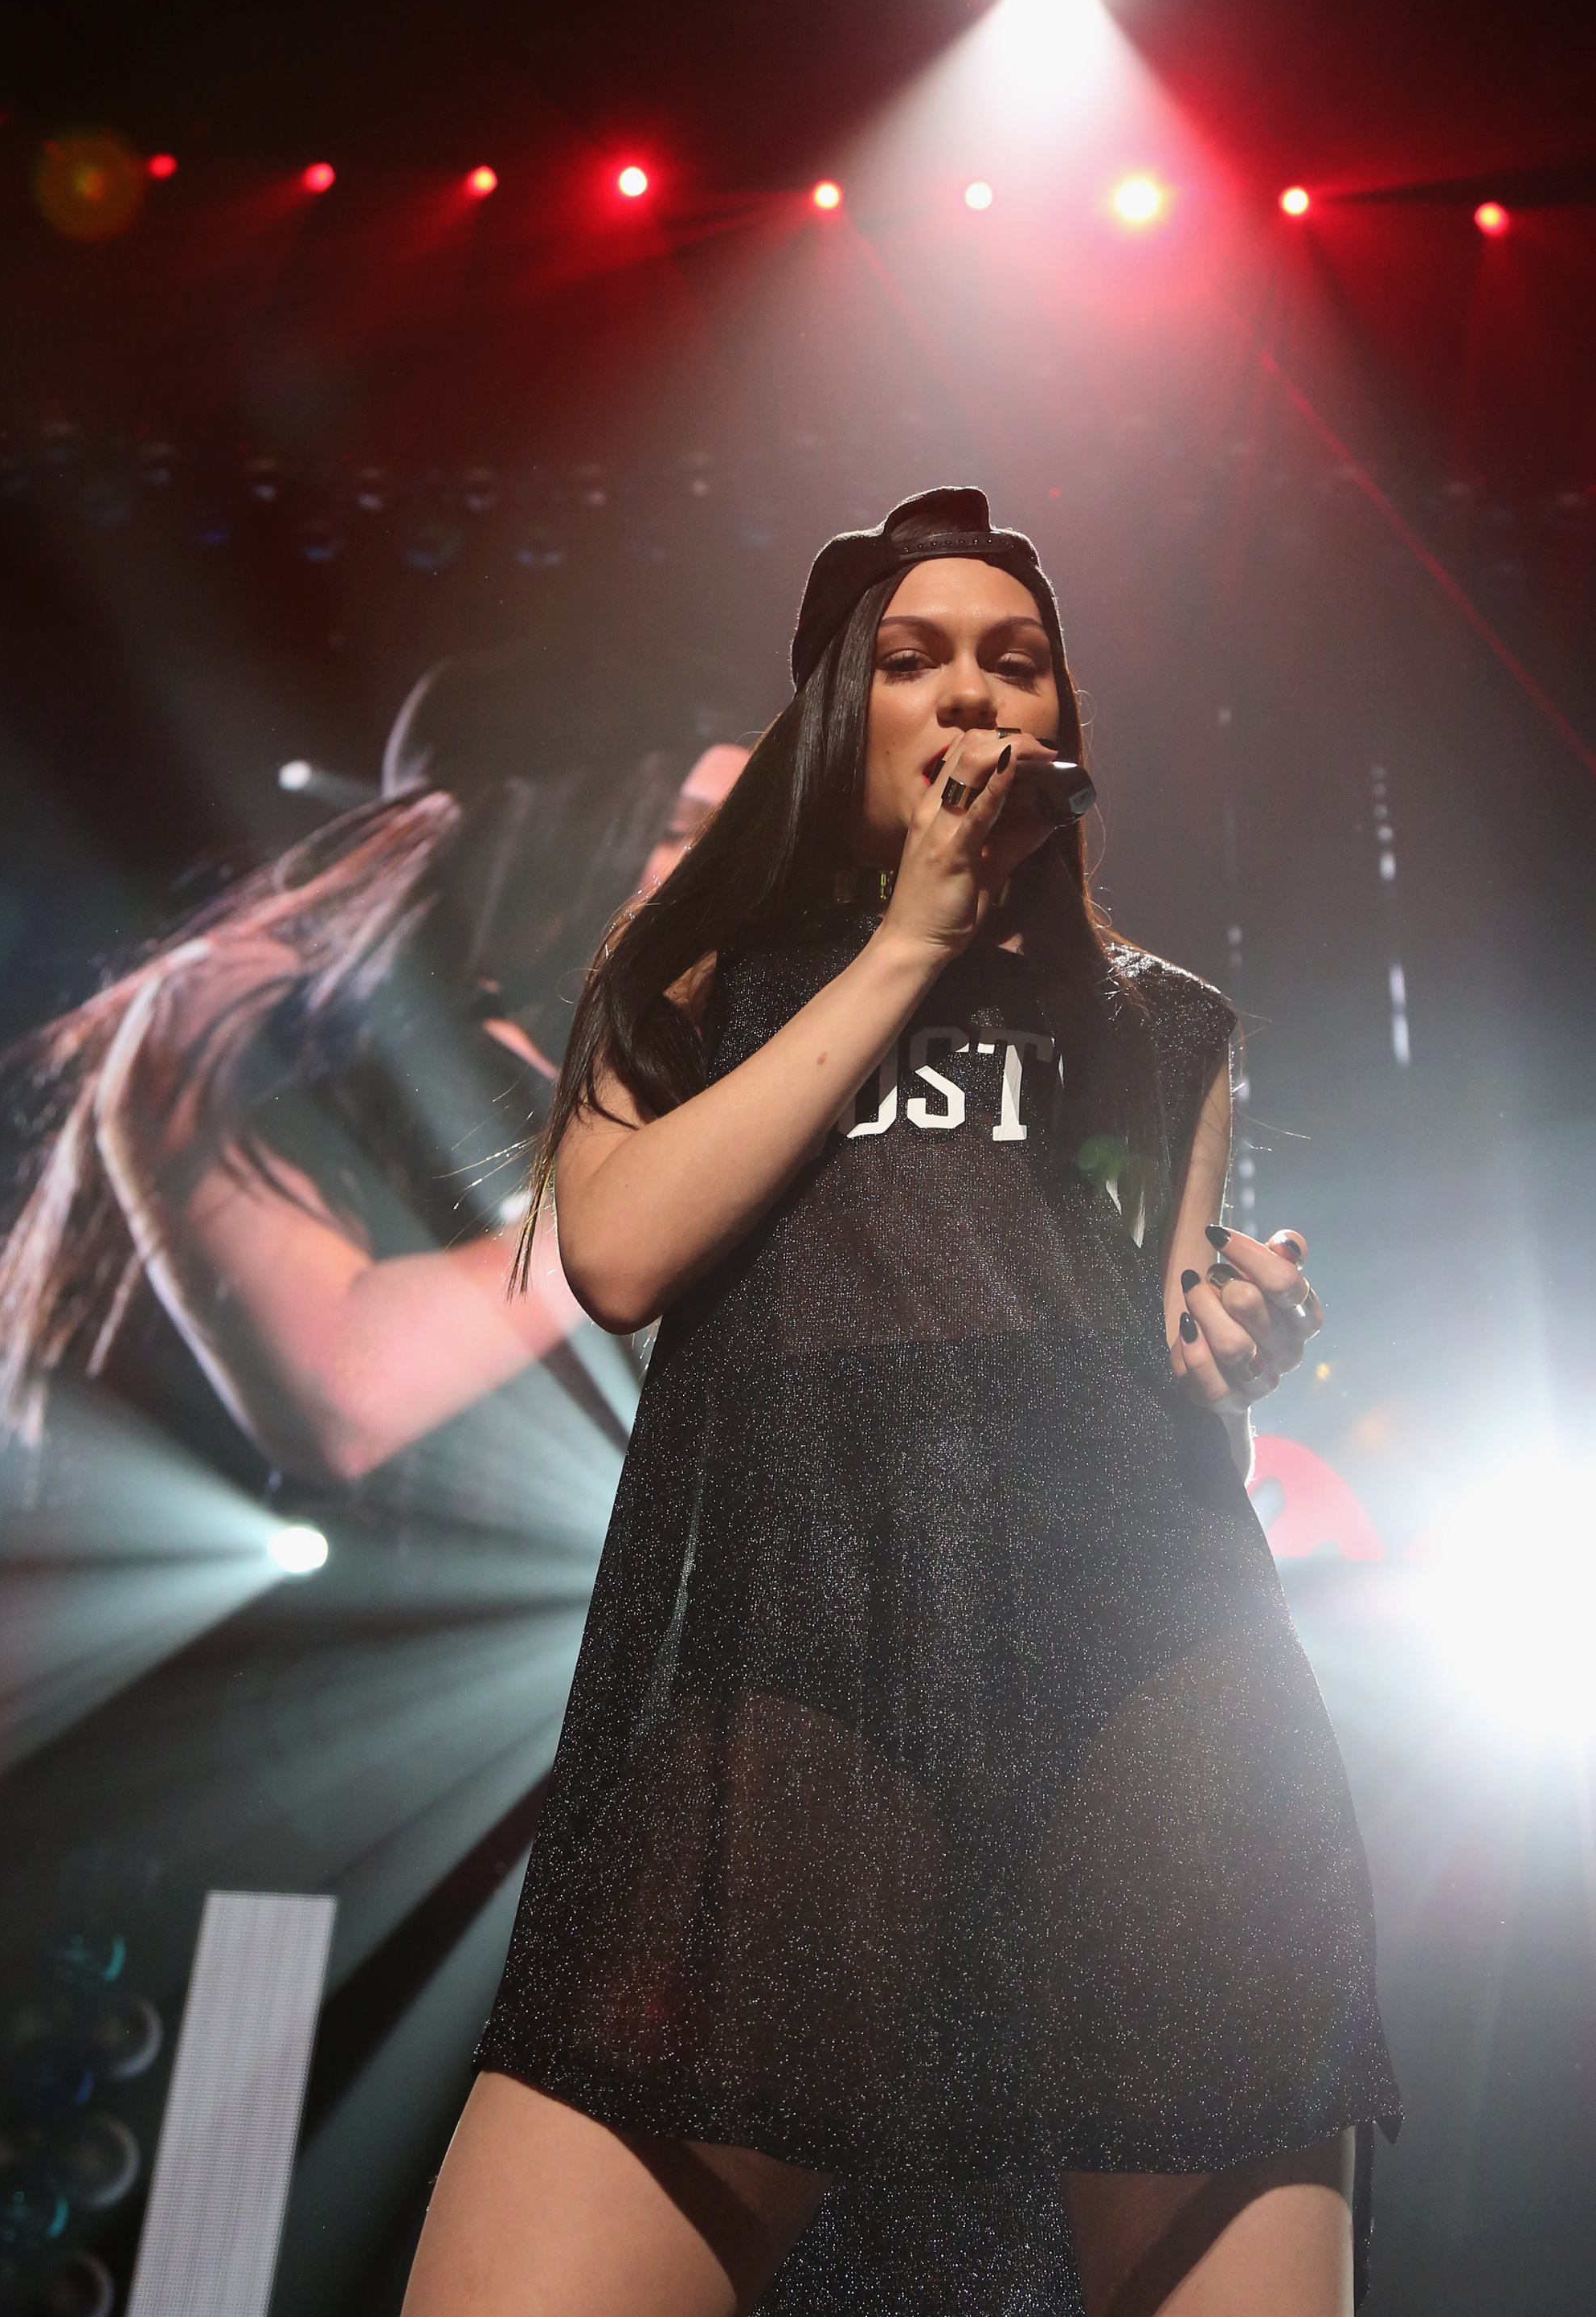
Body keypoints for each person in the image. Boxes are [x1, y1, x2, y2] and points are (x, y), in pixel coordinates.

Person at [402, 489, 1401, 2317]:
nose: (969, 693)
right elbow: (613, 1253)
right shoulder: (692, 975)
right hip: (800, 1689)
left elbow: (1172, 1393)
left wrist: (1230, 1359)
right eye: (912, 659)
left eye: (1015, 660)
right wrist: (906, 948)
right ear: (829, 717)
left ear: (1063, 722)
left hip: (1150, 1701)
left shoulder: (1160, 1024)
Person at [0, 640, 747, 1500]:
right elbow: (346, 1396)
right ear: (530, 824)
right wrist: (657, 1189)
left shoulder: (611, 1050)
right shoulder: (238, 998)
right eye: (679, 831)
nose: (716, 883)